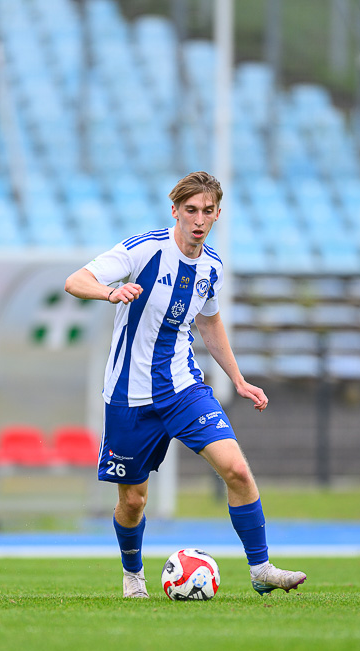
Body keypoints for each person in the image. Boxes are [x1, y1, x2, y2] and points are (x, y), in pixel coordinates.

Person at [63, 171, 306, 599]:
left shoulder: (212, 266)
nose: (199, 219)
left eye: (207, 211)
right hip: (129, 394)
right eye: (190, 210)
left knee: (236, 469)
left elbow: (209, 322)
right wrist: (110, 293)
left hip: (183, 388)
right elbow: (75, 280)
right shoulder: (144, 249)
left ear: (217, 214)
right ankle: (133, 576)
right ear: (174, 210)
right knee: (133, 502)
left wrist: (238, 379)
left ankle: (261, 568)